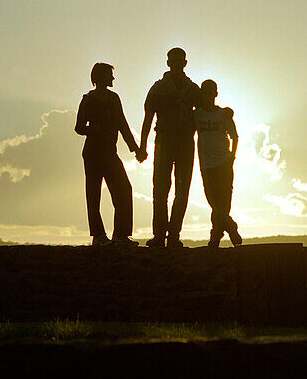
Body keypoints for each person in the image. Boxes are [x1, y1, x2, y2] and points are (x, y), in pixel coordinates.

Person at [75, 62, 145, 246]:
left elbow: (122, 124)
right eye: (109, 75)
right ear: (100, 77)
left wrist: (135, 149)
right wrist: (93, 129)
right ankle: (98, 236)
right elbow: (79, 127)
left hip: (109, 152)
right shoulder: (88, 100)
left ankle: (120, 235)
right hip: (92, 152)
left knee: (123, 189)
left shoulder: (114, 99)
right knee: (93, 193)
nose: (113, 79)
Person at [138, 47, 200, 248]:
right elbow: (148, 118)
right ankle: (159, 235)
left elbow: (204, 112)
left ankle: (173, 235)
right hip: (164, 141)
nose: (176, 63)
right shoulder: (157, 89)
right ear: (168, 63)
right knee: (160, 191)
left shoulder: (192, 90)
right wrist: (142, 146)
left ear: (185, 63)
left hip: (185, 142)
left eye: (179, 60)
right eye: (173, 60)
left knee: (182, 191)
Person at [195, 79, 242, 248]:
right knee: (213, 201)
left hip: (224, 163)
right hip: (206, 165)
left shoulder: (223, 114)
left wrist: (232, 157)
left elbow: (235, 136)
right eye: (205, 92)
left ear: (215, 94)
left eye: (211, 92)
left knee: (223, 202)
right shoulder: (197, 114)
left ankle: (215, 235)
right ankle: (230, 227)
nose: (208, 95)